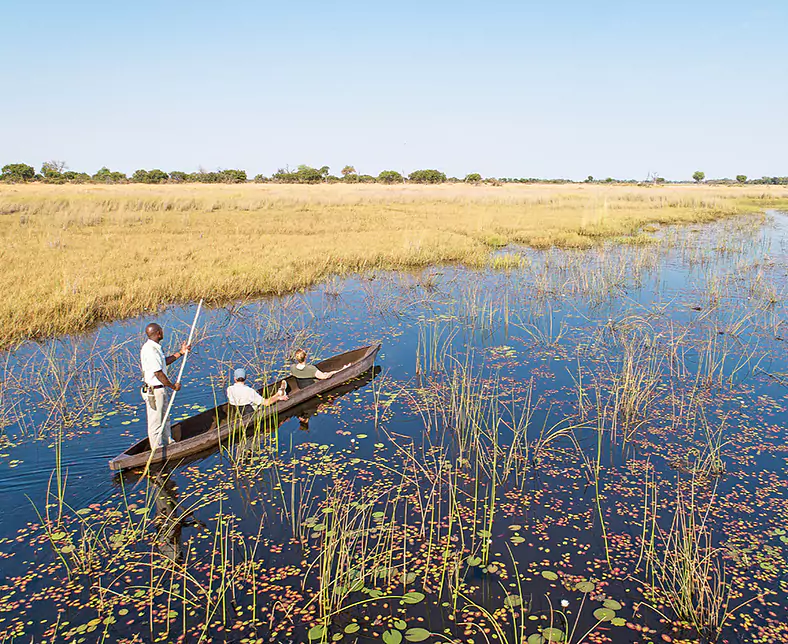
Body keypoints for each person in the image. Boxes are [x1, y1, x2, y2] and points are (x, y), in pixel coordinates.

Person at [140, 323, 190, 451]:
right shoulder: (150, 350)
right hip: (154, 390)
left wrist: (180, 353)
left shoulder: (155, 347)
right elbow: (158, 373)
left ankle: (169, 442)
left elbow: (163, 363)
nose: (163, 332)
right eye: (161, 331)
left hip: (160, 389)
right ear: (158, 333)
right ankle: (157, 449)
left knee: (165, 418)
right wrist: (173, 386)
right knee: (155, 423)